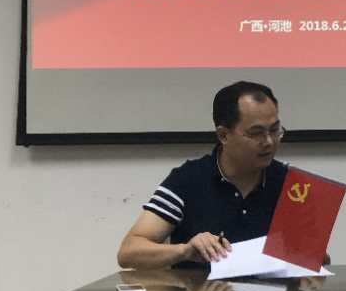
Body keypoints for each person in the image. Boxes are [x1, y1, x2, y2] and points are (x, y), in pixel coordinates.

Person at [117, 81, 287, 269]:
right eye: (256, 133)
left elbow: (310, 257)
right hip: (201, 288)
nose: (269, 142)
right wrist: (184, 251)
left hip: (273, 288)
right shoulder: (189, 179)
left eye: (275, 130)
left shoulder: (293, 185)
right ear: (223, 135)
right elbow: (128, 252)